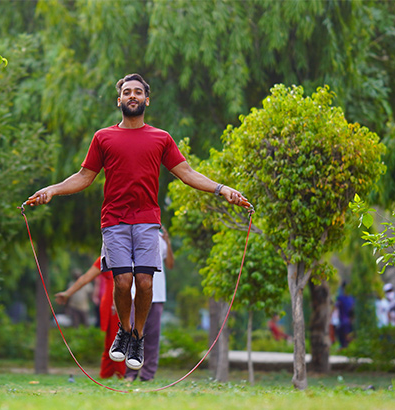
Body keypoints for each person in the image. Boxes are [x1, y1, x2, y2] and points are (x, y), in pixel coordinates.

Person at [26, 73, 251, 371]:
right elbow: (84, 177)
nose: (132, 96)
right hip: (114, 221)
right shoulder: (103, 137)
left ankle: (137, 337)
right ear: (119, 100)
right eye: (127, 92)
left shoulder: (161, 138)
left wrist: (223, 189)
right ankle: (123, 329)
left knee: (145, 283)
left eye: (138, 92)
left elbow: (187, 173)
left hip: (147, 221)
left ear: (147, 99)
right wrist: (51, 189)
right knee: (123, 280)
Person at [55, 257, 126, 379]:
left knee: (121, 339)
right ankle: (109, 374)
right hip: (110, 305)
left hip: (126, 301)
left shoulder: (131, 255)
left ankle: (120, 374)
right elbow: (85, 278)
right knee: (111, 340)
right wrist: (68, 293)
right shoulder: (104, 259)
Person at [125, 226, 174, 382]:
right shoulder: (134, 235)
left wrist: (168, 242)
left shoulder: (161, 239)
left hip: (158, 295)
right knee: (135, 333)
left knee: (153, 337)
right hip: (136, 294)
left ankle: (148, 375)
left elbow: (170, 264)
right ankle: (131, 374)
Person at [335, 282, 355, 348]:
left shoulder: (351, 299)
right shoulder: (341, 298)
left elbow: (352, 310)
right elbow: (335, 308)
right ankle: (345, 347)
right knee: (343, 336)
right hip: (343, 321)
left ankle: (346, 346)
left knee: (346, 336)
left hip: (346, 321)